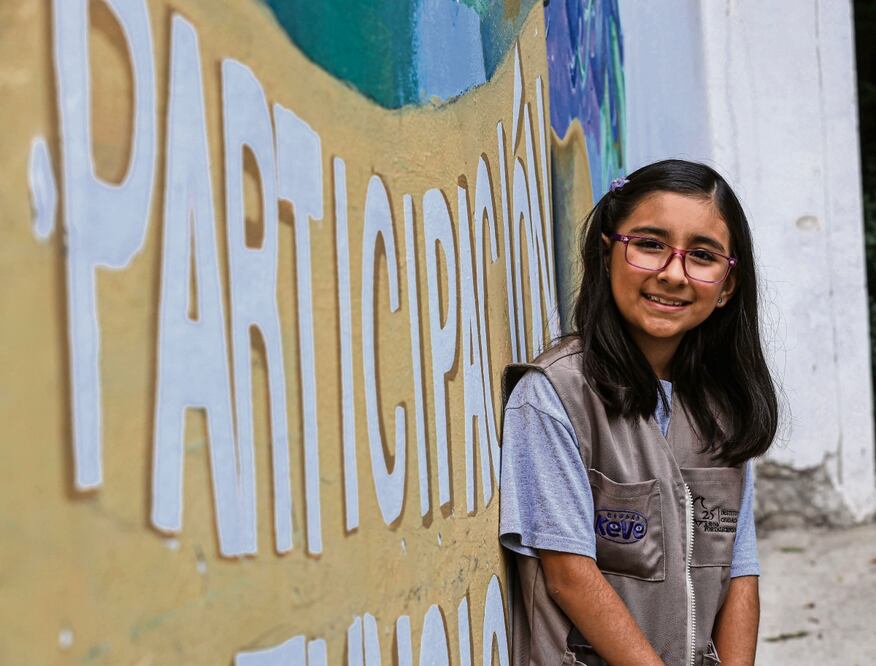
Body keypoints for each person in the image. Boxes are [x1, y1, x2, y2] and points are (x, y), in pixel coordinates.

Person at [499, 159, 778, 666]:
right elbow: (569, 576)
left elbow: (740, 572)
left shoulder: (724, 412)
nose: (673, 274)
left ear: (727, 286)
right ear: (608, 255)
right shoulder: (554, 394)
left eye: (702, 255)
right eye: (650, 245)